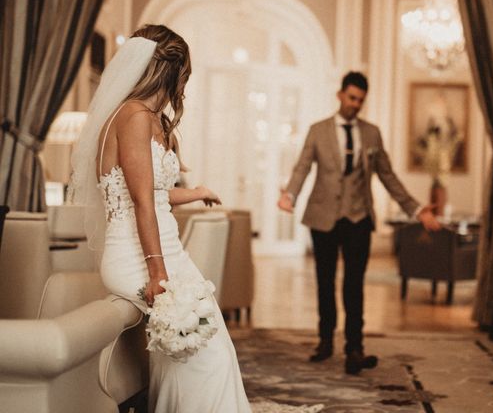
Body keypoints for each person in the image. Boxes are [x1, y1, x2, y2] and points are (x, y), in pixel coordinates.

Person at [70, 25, 252, 412]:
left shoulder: (141, 116)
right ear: (171, 71)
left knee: (196, 353)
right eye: (183, 75)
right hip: (139, 258)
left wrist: (197, 191)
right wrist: (158, 273)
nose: (183, 86)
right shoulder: (134, 116)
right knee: (207, 355)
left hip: (162, 252)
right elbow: (140, 201)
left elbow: (150, 192)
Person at [277, 71, 441, 375]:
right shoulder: (318, 131)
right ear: (340, 95)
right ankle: (325, 340)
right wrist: (290, 195)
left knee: (354, 285)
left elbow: (388, 176)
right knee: (325, 282)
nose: (355, 105)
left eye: (361, 101)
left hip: (358, 218)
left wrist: (417, 210)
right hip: (323, 216)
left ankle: (355, 348)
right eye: (352, 98)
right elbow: (302, 167)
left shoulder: (372, 133)